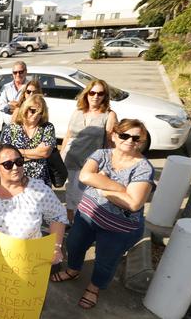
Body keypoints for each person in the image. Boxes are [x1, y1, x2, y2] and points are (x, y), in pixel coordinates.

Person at [52, 119, 154, 310]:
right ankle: (73, 270)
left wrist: (102, 189)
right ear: (114, 136)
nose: (130, 141)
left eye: (136, 138)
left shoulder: (144, 168)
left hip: (119, 228)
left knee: (106, 261)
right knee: (74, 244)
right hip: (86, 217)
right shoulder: (101, 154)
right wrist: (123, 189)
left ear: (142, 141)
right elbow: (85, 176)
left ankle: (94, 287)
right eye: (124, 135)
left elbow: (133, 203)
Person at [0, 144, 67, 305]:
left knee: (17, 308)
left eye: (19, 162)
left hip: (25, 267)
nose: (15, 167)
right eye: (8, 164)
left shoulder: (38, 189)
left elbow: (58, 216)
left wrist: (56, 247)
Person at [61, 79, 118, 223]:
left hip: (88, 164)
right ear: (87, 94)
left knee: (83, 197)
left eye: (100, 93)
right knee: (69, 194)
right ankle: (69, 222)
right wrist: (61, 156)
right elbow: (68, 135)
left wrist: (109, 167)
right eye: (92, 93)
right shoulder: (78, 111)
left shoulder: (109, 115)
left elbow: (111, 143)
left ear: (105, 96)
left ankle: (82, 225)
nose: (95, 96)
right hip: (70, 160)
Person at [0, 94, 56, 186]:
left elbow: (45, 153)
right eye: (33, 111)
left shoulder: (47, 127)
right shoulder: (11, 129)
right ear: (25, 109)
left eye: (40, 112)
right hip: (15, 180)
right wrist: (36, 152)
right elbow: (4, 155)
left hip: (40, 181)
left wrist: (17, 153)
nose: (36, 115)